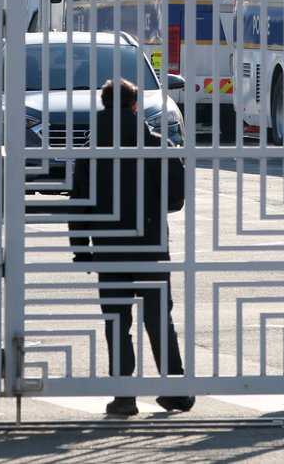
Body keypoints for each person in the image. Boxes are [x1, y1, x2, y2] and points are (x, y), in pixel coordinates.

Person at [68, 78, 194, 417]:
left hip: (108, 248)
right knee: (157, 318)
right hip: (150, 245)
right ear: (135, 106)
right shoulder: (157, 145)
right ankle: (175, 390)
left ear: (104, 106)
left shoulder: (90, 152)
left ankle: (124, 396)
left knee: (116, 320)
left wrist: (81, 248)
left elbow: (79, 205)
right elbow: (176, 196)